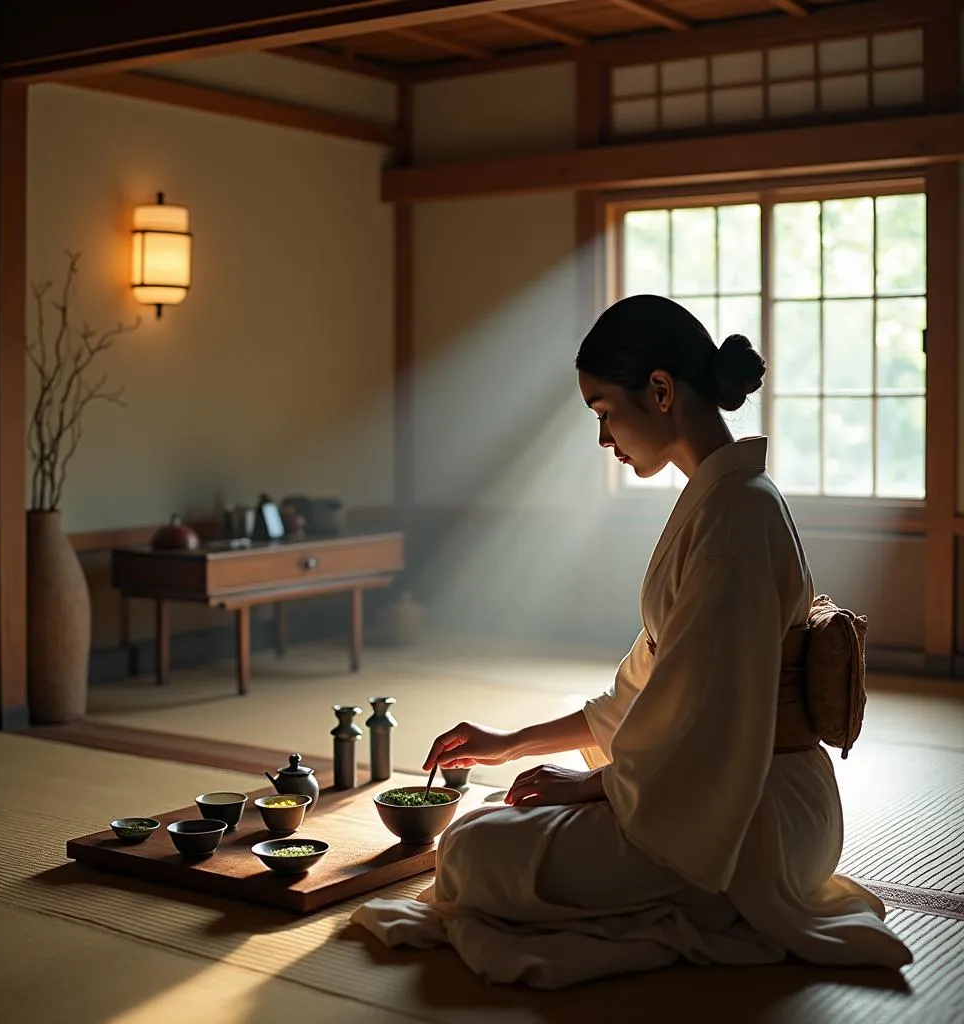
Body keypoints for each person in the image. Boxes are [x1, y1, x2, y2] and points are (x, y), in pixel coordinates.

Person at [350, 294, 913, 989]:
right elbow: (648, 694)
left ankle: (713, 897)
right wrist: (512, 741)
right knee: (491, 820)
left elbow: (706, 722)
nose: (602, 437)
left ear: (661, 390)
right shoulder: (722, 500)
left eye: (603, 411)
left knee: (471, 847)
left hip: (749, 821)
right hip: (730, 799)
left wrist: (594, 784)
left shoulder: (733, 516)